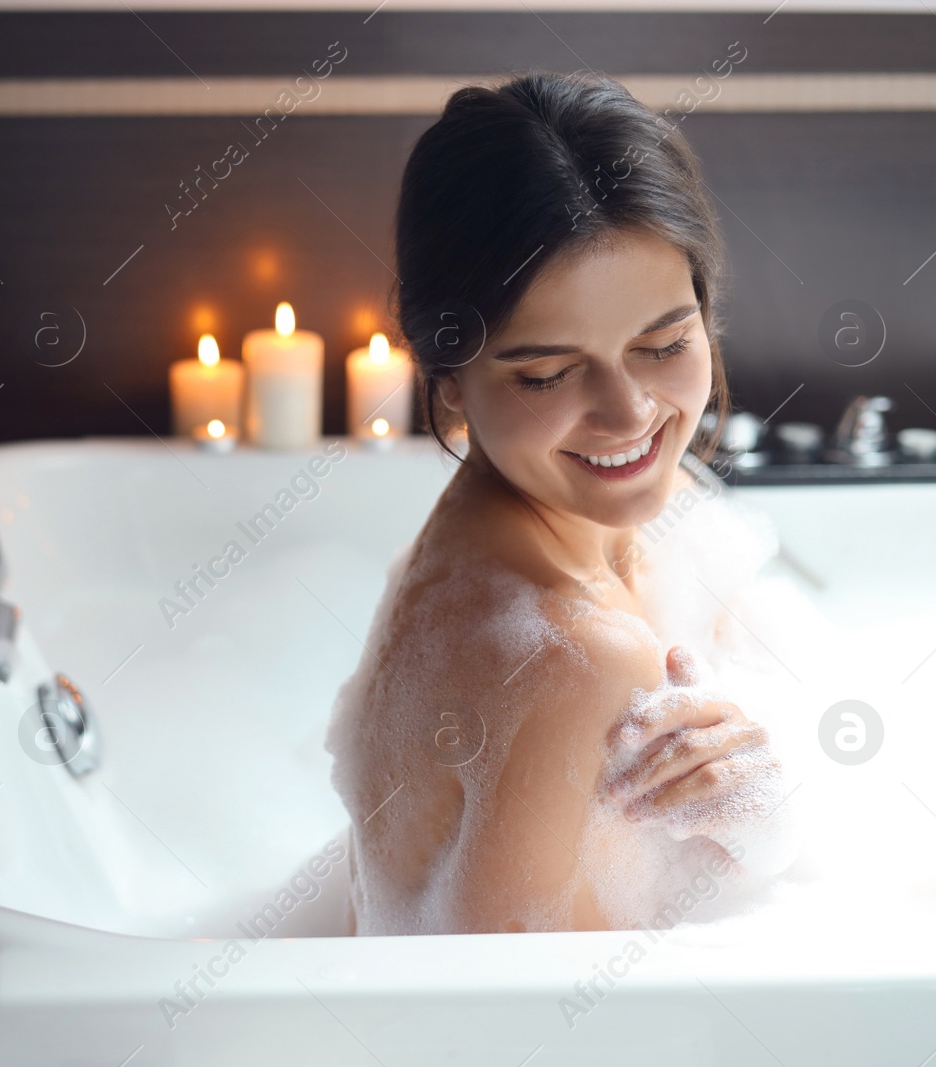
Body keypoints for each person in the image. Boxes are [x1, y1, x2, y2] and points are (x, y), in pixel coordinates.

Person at [325, 70, 791, 935]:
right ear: (449, 384)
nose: (631, 415)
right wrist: (772, 824)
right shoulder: (567, 659)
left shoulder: (614, 510)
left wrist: (772, 796)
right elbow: (537, 1032)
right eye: (547, 371)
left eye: (663, 344)